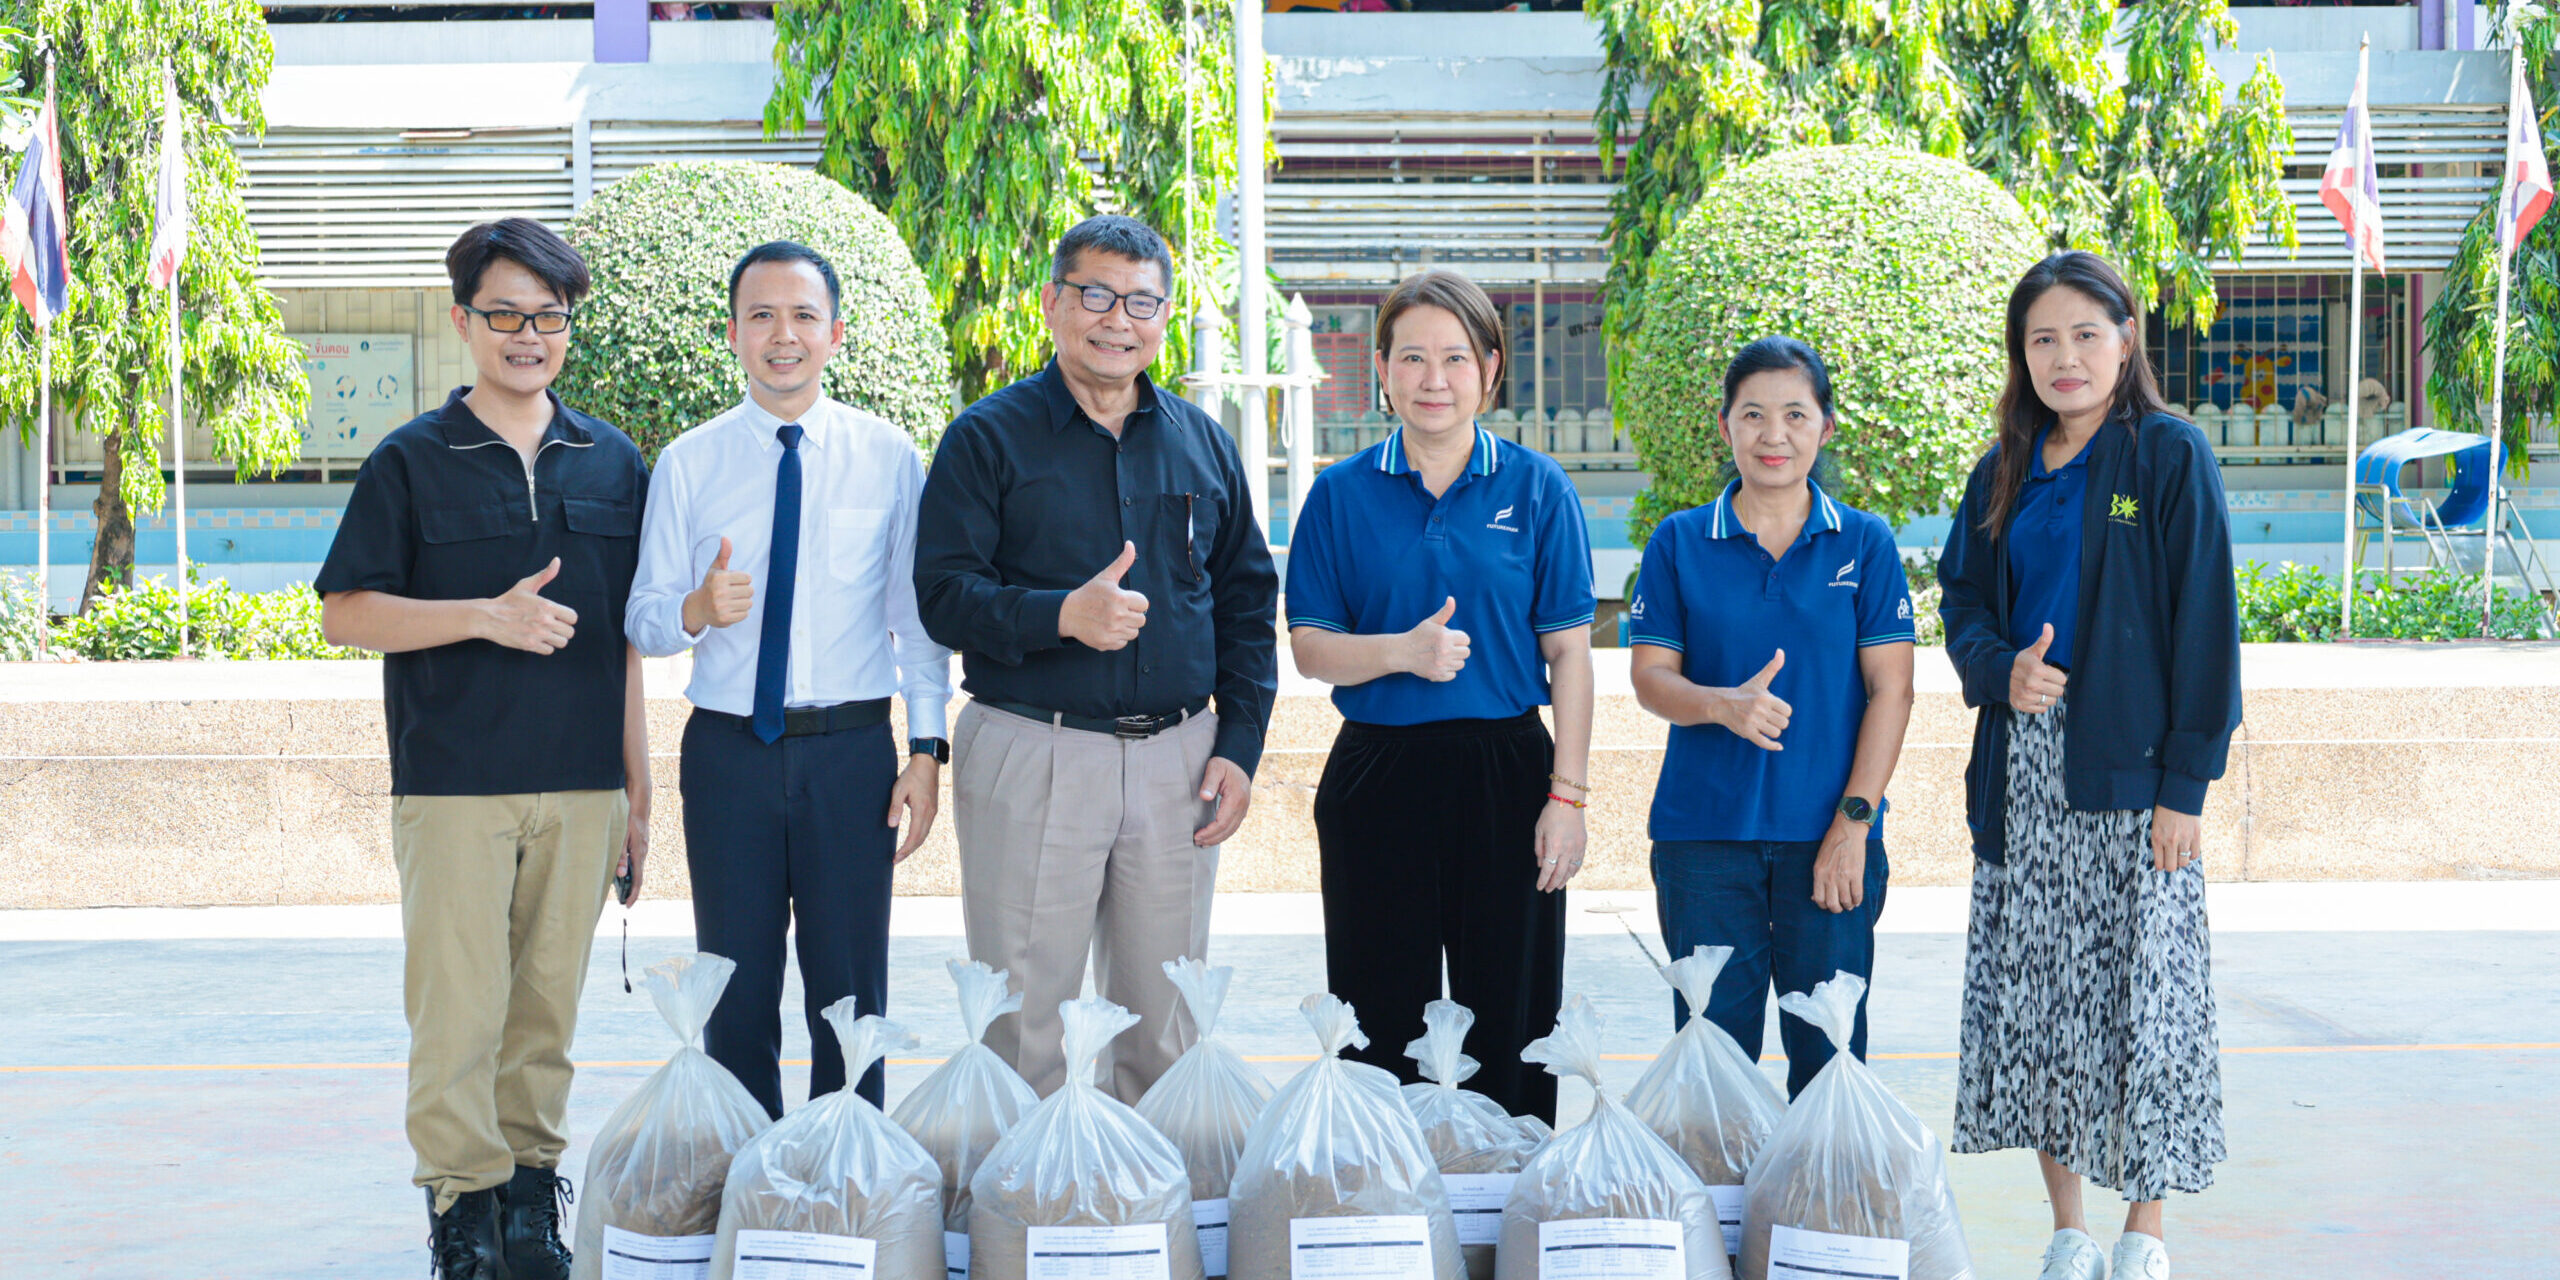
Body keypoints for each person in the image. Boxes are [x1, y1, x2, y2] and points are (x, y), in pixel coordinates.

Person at [317, 218, 649, 1280]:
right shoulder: (412, 459)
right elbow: (346, 613)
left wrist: (641, 797)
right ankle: (462, 1211)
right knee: (459, 1012)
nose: (528, 336)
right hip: (456, 786)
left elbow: (628, 642)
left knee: (546, 1013)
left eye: (549, 317)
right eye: (505, 314)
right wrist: (481, 616)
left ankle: (528, 1203)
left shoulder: (614, 462)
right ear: (463, 321)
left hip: (584, 784)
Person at [915, 214, 1278, 1102]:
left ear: (1164, 316)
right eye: (1097, 296)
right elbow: (943, 594)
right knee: (1021, 1025)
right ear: (1052, 303)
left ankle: (1150, 1191)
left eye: (1142, 302)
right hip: (1036, 750)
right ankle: (1021, 1192)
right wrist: (1061, 616)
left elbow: (1246, 601)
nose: (1119, 320)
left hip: (1179, 761)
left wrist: (1239, 746)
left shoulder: (1202, 441)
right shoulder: (986, 438)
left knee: (1167, 1026)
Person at [1938, 251, 2241, 1280]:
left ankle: (2143, 1232)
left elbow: (2206, 625)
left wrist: (2184, 788)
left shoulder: (2166, 454)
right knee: (2041, 1004)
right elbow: (1963, 603)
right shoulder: (2003, 467)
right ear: (2019, 355)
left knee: (2144, 1003)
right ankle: (2068, 1228)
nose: (2063, 356)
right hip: (2022, 775)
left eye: (2083, 333)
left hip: (2134, 773)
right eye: (2042, 339)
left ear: (2125, 339)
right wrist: (2000, 670)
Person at [626, 241, 952, 1117]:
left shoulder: (887, 456)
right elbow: (644, 618)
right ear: (732, 333)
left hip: (851, 756)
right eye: (761, 316)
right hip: (729, 754)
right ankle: (749, 1174)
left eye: (804, 316)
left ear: (835, 334)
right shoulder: (689, 462)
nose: (783, 335)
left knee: (851, 994)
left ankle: (850, 1170)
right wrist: (696, 608)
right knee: (734, 990)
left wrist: (926, 751)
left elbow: (918, 625)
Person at [1283, 268, 1595, 1124]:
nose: (1434, 379)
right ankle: (1391, 1185)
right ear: (1382, 370)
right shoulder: (1340, 494)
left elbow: (1569, 655)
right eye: (1412, 357)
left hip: (1508, 771)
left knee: (1513, 1010)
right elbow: (1309, 648)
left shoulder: (1538, 488)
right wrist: (1402, 653)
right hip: (1378, 773)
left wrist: (1567, 797)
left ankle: (1510, 1186)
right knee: (1378, 1012)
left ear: (1490, 369)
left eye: (1456, 357)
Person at [1625, 336, 1915, 1100]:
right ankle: (1720, 1190)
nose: (1773, 434)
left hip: (1830, 838)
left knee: (1830, 1062)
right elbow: (1650, 678)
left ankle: (1819, 1190)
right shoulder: (1681, 542)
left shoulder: (1865, 543)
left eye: (1795, 414)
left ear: (1825, 427)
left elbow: (1893, 691)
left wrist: (1854, 824)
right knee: (1711, 1068)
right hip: (1703, 843)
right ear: (1726, 426)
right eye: (1753, 414)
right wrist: (1720, 704)